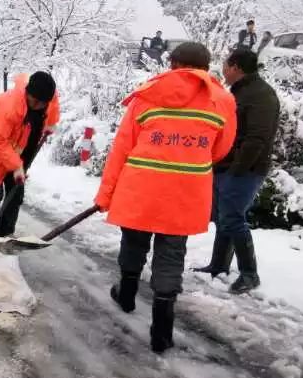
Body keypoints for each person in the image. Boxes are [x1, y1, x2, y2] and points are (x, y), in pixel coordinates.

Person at [95, 42, 237, 354]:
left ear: (172, 64)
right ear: (205, 67)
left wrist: (106, 194)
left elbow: (122, 147)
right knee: (171, 253)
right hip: (186, 191)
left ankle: (127, 294)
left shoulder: (147, 95)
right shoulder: (221, 100)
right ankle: (162, 329)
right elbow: (221, 149)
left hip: (140, 186)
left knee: (133, 241)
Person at [194, 49, 280, 293]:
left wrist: (237, 169)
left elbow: (256, 138)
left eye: (225, 64)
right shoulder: (242, 91)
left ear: (235, 67)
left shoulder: (261, 95)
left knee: (233, 218)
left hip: (245, 169)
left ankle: (250, 274)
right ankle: (219, 265)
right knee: (224, 218)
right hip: (227, 166)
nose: (222, 69)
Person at [0, 71, 59, 247]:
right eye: (37, 102)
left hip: (12, 155)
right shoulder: (9, 107)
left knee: (16, 194)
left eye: (44, 103)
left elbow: (53, 105)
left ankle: (5, 235)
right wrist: (17, 166)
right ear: (29, 94)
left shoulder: (44, 97)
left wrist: (50, 124)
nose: (41, 106)